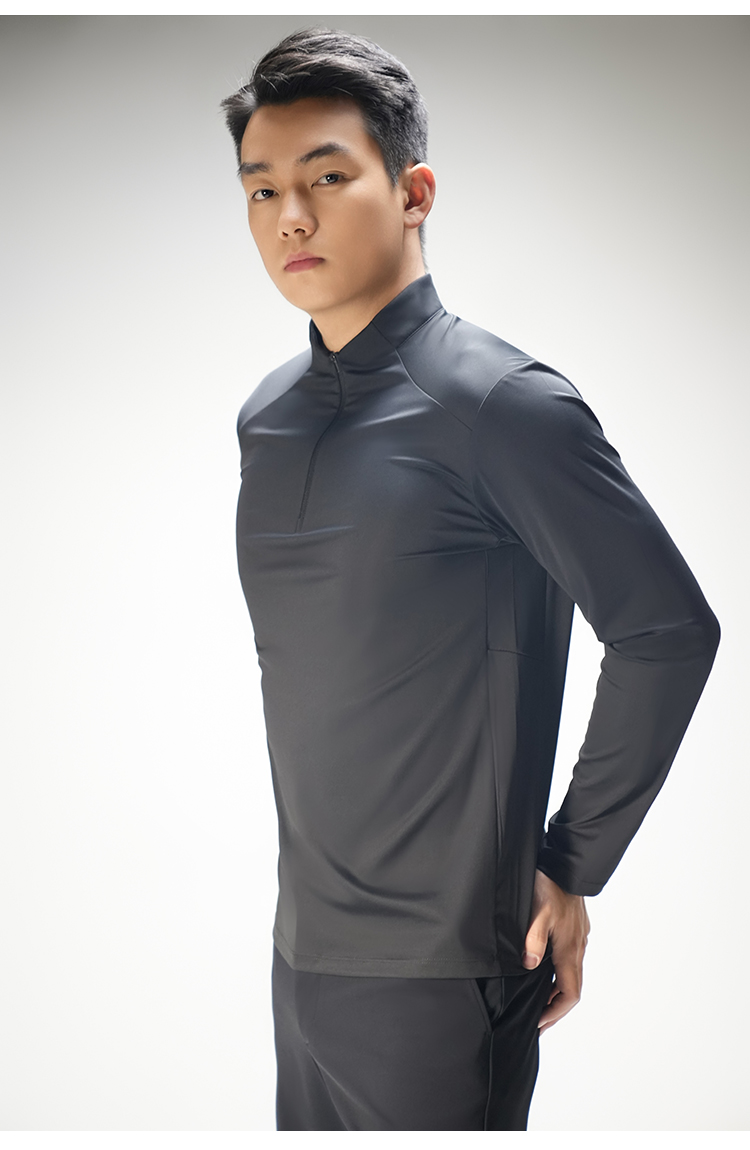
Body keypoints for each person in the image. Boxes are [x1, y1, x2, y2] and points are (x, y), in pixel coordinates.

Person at [220, 28, 720, 1132]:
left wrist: (571, 863)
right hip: (301, 962)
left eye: (326, 178)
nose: (290, 215)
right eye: (261, 189)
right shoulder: (267, 417)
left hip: (446, 981)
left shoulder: (503, 407)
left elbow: (667, 630)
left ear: (414, 193)